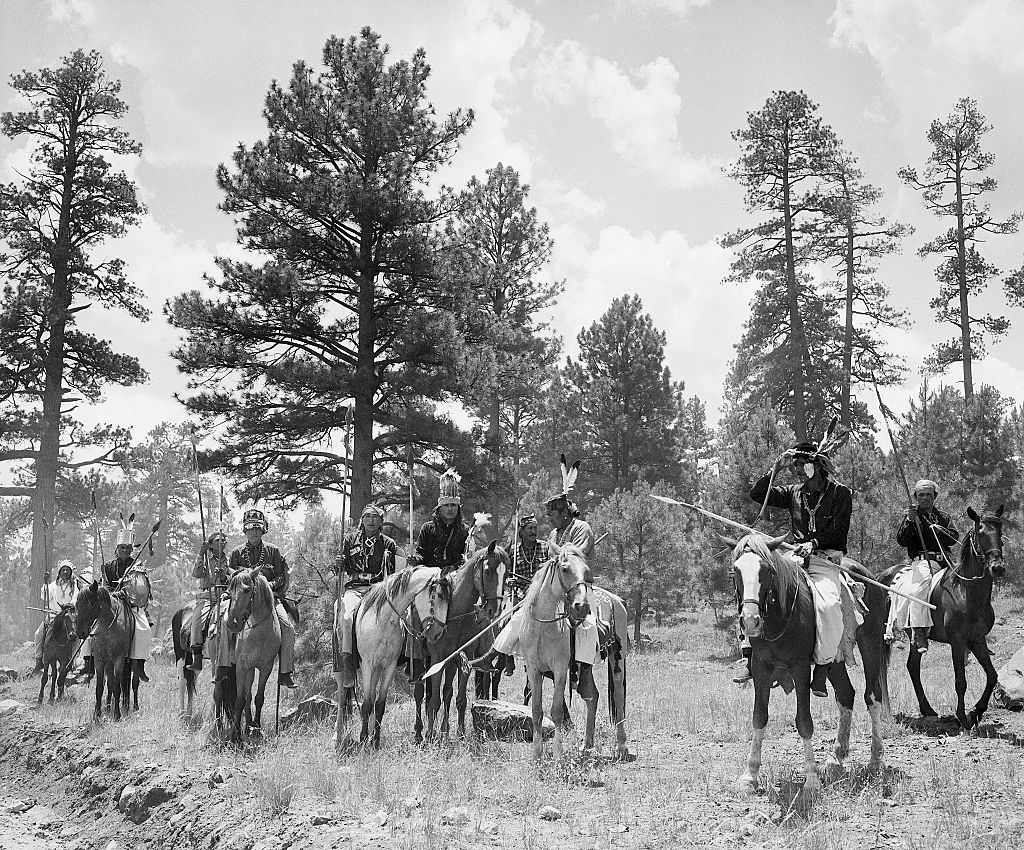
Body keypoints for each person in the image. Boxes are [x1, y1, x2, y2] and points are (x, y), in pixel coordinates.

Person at [470, 457, 599, 700]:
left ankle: (582, 674)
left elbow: (574, 557)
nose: (549, 521)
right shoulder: (553, 533)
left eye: (552, 515)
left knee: (586, 626)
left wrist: (560, 555)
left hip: (578, 585)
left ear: (564, 513)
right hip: (552, 588)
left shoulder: (582, 528)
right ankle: (500, 653)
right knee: (522, 614)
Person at [742, 439, 861, 698]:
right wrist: (776, 468)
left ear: (818, 465)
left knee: (828, 606)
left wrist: (814, 543)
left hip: (825, 561)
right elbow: (757, 494)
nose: (798, 469)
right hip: (794, 559)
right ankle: (749, 655)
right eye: (795, 465)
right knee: (755, 586)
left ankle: (822, 665)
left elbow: (839, 530)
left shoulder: (841, 494)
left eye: (802, 465)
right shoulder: (794, 492)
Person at [227, 508, 297, 688]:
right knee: (224, 623)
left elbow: (281, 575)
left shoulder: (273, 551)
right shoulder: (236, 553)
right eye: (250, 528)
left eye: (257, 528)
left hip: (269, 600)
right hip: (242, 600)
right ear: (244, 530)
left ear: (264, 529)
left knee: (288, 627)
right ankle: (224, 664)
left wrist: (269, 586)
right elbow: (231, 579)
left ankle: (285, 671)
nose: (254, 532)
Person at [887, 479, 959, 652]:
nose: (925, 498)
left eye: (928, 494)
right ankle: (919, 631)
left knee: (967, 581)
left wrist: (939, 529)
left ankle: (974, 630)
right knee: (918, 590)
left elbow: (954, 537)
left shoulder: (944, 517)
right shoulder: (911, 516)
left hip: (946, 560)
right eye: (921, 495)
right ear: (916, 497)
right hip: (923, 562)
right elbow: (902, 540)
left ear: (934, 496)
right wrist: (910, 521)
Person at [335, 504, 398, 688]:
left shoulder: (388, 544)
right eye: (367, 517)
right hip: (355, 588)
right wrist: (339, 564)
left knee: (399, 617)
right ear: (362, 520)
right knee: (346, 617)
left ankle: (403, 656)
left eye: (375, 517)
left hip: (377, 590)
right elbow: (340, 568)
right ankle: (347, 661)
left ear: (381, 522)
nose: (371, 521)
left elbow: (392, 574)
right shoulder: (348, 540)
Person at [98, 525, 153, 683]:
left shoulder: (138, 565)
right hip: (111, 605)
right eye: (121, 547)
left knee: (144, 630)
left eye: (127, 548)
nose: (124, 550)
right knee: (92, 629)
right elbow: (104, 587)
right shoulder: (107, 566)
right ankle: (89, 661)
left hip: (131, 606)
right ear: (116, 549)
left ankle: (138, 663)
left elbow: (142, 588)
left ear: (131, 549)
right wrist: (111, 593)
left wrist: (127, 593)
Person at [186, 528, 231, 672]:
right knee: (198, 619)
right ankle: (197, 656)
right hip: (208, 595)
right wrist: (201, 553)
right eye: (218, 540)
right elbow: (197, 574)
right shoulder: (205, 558)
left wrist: (225, 576)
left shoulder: (230, 560)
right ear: (210, 545)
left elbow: (234, 578)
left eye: (223, 540)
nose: (222, 543)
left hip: (225, 594)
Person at [409, 468, 469, 571]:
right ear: (440, 509)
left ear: (458, 509)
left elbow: (467, 557)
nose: (450, 509)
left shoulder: (465, 530)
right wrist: (416, 559)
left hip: (455, 576)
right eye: (446, 505)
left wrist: (453, 568)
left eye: (453, 505)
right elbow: (420, 553)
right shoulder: (427, 528)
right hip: (428, 576)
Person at [32, 560, 79, 675]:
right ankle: (39, 660)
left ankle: (70, 661)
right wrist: (45, 583)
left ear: (71, 572)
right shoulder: (53, 585)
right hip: (54, 616)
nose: (65, 572)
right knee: (38, 634)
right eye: (63, 570)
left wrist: (68, 607)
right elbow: (45, 597)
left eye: (68, 570)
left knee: (76, 636)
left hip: (68, 617)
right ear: (59, 572)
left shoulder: (74, 586)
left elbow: (75, 599)